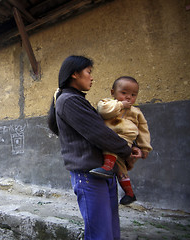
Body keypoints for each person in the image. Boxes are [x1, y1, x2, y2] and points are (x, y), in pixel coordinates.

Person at [47, 55, 142, 240]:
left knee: (111, 231)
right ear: (75, 74)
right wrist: (127, 151)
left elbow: (106, 129)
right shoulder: (68, 100)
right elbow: (98, 133)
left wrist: (132, 145)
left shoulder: (76, 100)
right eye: (88, 72)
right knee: (100, 234)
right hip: (88, 175)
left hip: (102, 173)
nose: (92, 77)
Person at [89, 76, 153, 205]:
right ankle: (130, 193)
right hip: (110, 135)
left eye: (133, 95)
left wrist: (145, 148)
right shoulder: (106, 102)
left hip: (125, 135)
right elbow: (103, 112)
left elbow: (143, 130)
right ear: (113, 92)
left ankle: (107, 167)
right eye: (124, 93)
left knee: (113, 145)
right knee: (120, 168)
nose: (129, 97)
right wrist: (120, 104)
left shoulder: (136, 112)